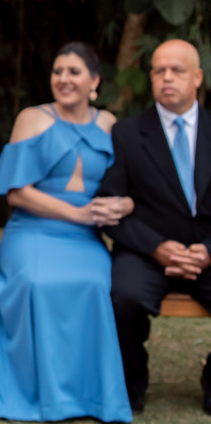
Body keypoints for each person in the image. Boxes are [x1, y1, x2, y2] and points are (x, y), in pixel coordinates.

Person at [0, 42, 134, 422]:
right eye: (57, 71)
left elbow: (131, 187)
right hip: (32, 232)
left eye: (73, 72)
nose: (63, 79)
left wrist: (123, 206)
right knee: (37, 281)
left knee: (96, 285)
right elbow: (16, 192)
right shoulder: (31, 118)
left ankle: (90, 398)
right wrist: (78, 214)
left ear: (94, 81)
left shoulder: (110, 124)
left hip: (84, 240)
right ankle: (38, 394)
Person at [100, 39, 211, 414]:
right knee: (122, 298)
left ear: (197, 77)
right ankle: (132, 383)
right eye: (159, 70)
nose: (167, 78)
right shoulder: (127, 133)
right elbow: (111, 210)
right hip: (147, 251)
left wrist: (208, 250)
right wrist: (157, 246)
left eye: (177, 70)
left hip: (207, 252)